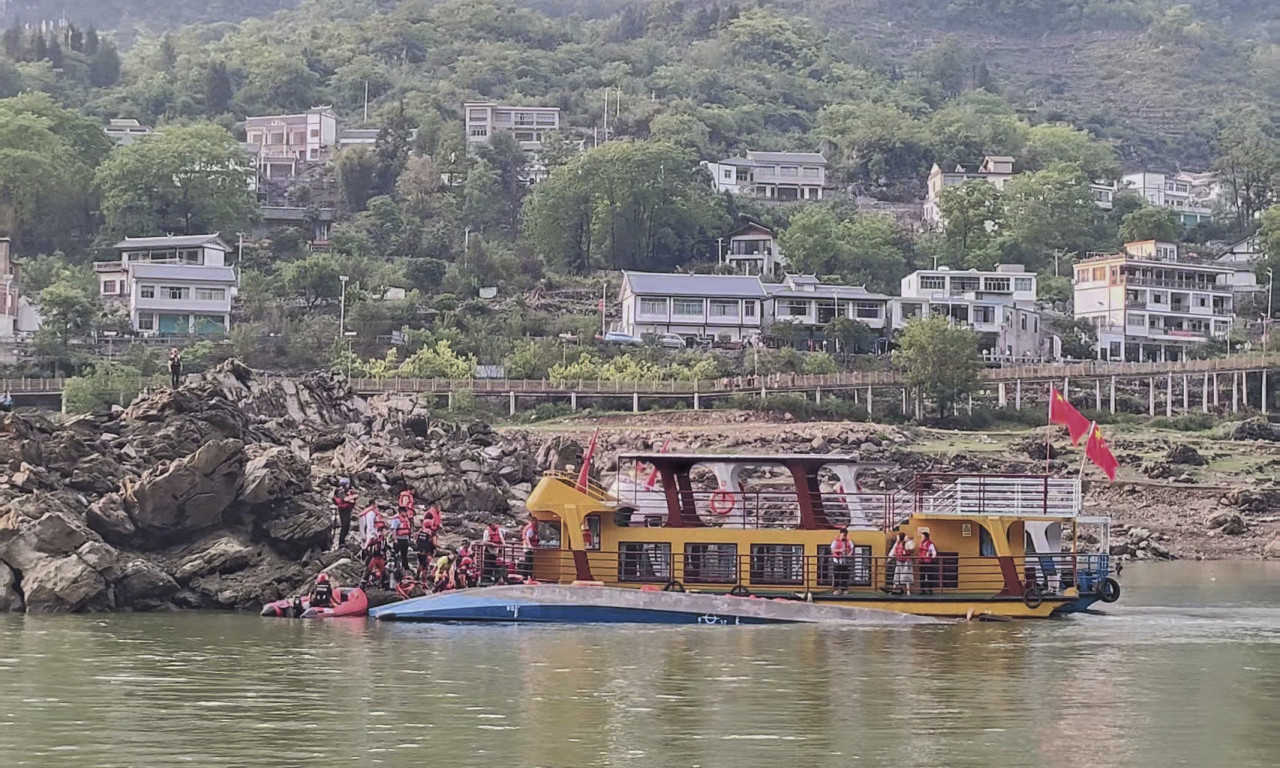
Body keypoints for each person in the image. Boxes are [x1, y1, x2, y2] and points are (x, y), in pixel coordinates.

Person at [331, 478, 358, 548]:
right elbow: (346, 499)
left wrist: (351, 498)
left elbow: (350, 500)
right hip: (343, 510)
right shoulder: (341, 491)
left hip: (347, 510)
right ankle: (341, 542)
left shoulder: (347, 491)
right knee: (345, 525)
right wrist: (354, 496)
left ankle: (343, 541)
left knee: (347, 526)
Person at [830, 527, 853, 595]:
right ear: (840, 534)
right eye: (843, 535)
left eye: (845, 535)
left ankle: (844, 589)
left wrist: (849, 554)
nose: (844, 536)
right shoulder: (835, 541)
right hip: (837, 561)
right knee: (836, 575)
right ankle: (837, 589)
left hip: (845, 560)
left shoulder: (848, 541)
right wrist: (840, 550)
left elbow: (852, 548)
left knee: (845, 575)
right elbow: (832, 550)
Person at [390, 506, 413, 573]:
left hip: (405, 539)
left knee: (404, 554)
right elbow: (394, 529)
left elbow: (408, 530)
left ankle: (405, 567)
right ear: (400, 512)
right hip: (398, 539)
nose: (406, 513)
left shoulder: (406, 519)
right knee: (396, 554)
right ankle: (394, 567)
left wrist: (409, 538)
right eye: (404, 512)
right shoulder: (396, 519)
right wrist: (395, 539)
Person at [917, 528, 939, 595]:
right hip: (922, 562)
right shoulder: (921, 544)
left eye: (922, 536)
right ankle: (922, 590)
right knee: (922, 576)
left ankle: (930, 590)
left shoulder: (930, 544)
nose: (921, 538)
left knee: (929, 576)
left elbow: (934, 553)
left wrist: (930, 556)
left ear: (926, 537)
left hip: (928, 562)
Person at [519, 516, 540, 580]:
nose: (537, 522)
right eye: (536, 521)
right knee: (527, 561)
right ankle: (525, 575)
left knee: (530, 561)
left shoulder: (534, 528)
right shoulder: (530, 529)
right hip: (528, 547)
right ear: (533, 521)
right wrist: (530, 545)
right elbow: (527, 538)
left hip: (531, 547)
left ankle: (529, 575)